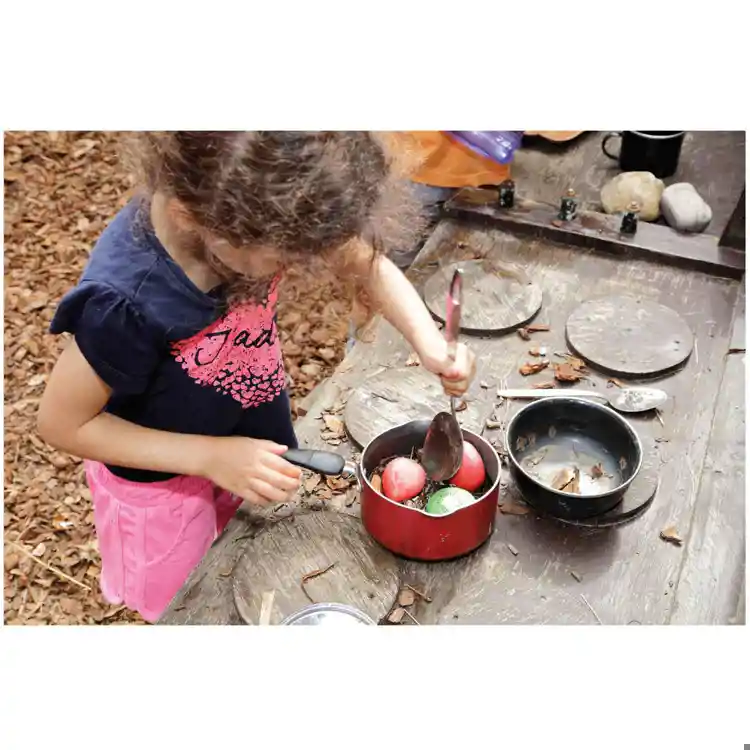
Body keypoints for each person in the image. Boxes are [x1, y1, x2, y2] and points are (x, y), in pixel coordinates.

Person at [38, 132, 476, 622]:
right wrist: (208, 456)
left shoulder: (256, 208)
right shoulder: (125, 304)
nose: (301, 266)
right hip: (161, 483)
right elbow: (62, 424)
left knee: (238, 550)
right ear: (193, 216)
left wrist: (430, 343)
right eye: (284, 259)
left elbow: (361, 260)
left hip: (241, 441)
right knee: (190, 602)